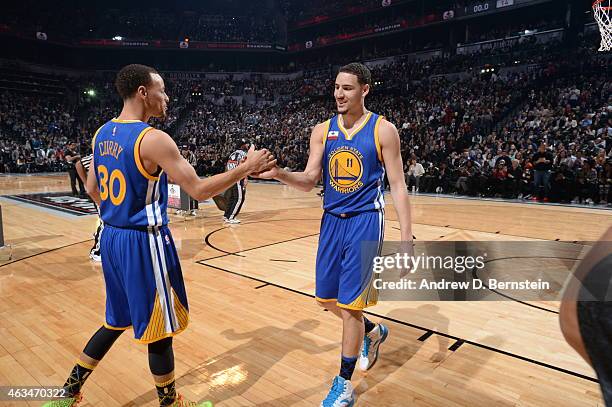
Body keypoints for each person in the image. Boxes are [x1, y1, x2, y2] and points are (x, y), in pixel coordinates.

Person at [44, 64, 275, 407]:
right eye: (162, 91)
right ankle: (170, 404)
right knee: (161, 330)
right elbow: (196, 191)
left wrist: (115, 216)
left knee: (115, 321)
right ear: (142, 92)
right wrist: (245, 168)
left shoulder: (102, 133)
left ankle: (66, 394)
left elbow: (92, 188)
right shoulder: (153, 139)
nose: (166, 98)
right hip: (143, 242)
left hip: (111, 238)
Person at [257, 62, 413, 407]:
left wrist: (406, 240)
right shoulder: (321, 130)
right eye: (337, 87)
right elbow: (310, 180)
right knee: (326, 300)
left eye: (348, 88)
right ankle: (374, 332)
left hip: (365, 221)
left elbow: (399, 186)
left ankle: (343, 384)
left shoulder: (383, 130)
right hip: (330, 220)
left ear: (365, 90)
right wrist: (279, 173)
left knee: (351, 306)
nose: (339, 94)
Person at [75, 152, 103, 262]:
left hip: (114, 194)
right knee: (104, 221)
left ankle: (98, 235)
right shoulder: (100, 152)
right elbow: (79, 164)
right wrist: (87, 184)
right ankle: (97, 251)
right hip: (100, 193)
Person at [222, 141, 249, 224]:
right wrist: (245, 178)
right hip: (237, 178)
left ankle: (226, 215)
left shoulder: (232, 154)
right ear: (242, 146)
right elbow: (244, 167)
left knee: (232, 198)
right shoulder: (244, 154)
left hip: (230, 177)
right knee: (239, 198)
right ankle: (231, 217)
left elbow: (227, 166)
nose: (248, 146)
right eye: (246, 144)